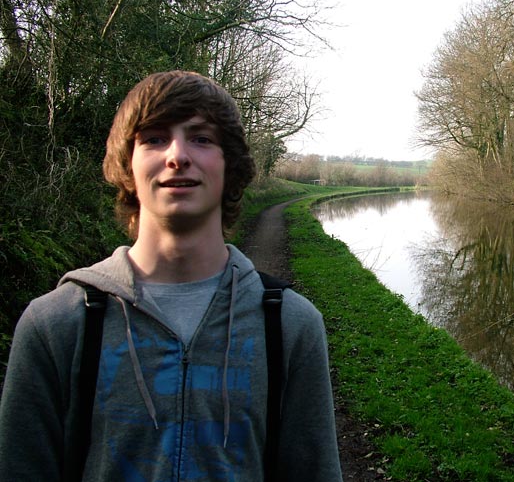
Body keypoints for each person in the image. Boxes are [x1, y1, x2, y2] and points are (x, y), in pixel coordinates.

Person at [0, 70, 343, 481]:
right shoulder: (56, 324)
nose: (177, 155)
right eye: (154, 138)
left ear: (229, 165)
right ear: (128, 164)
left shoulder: (291, 325)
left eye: (201, 138)